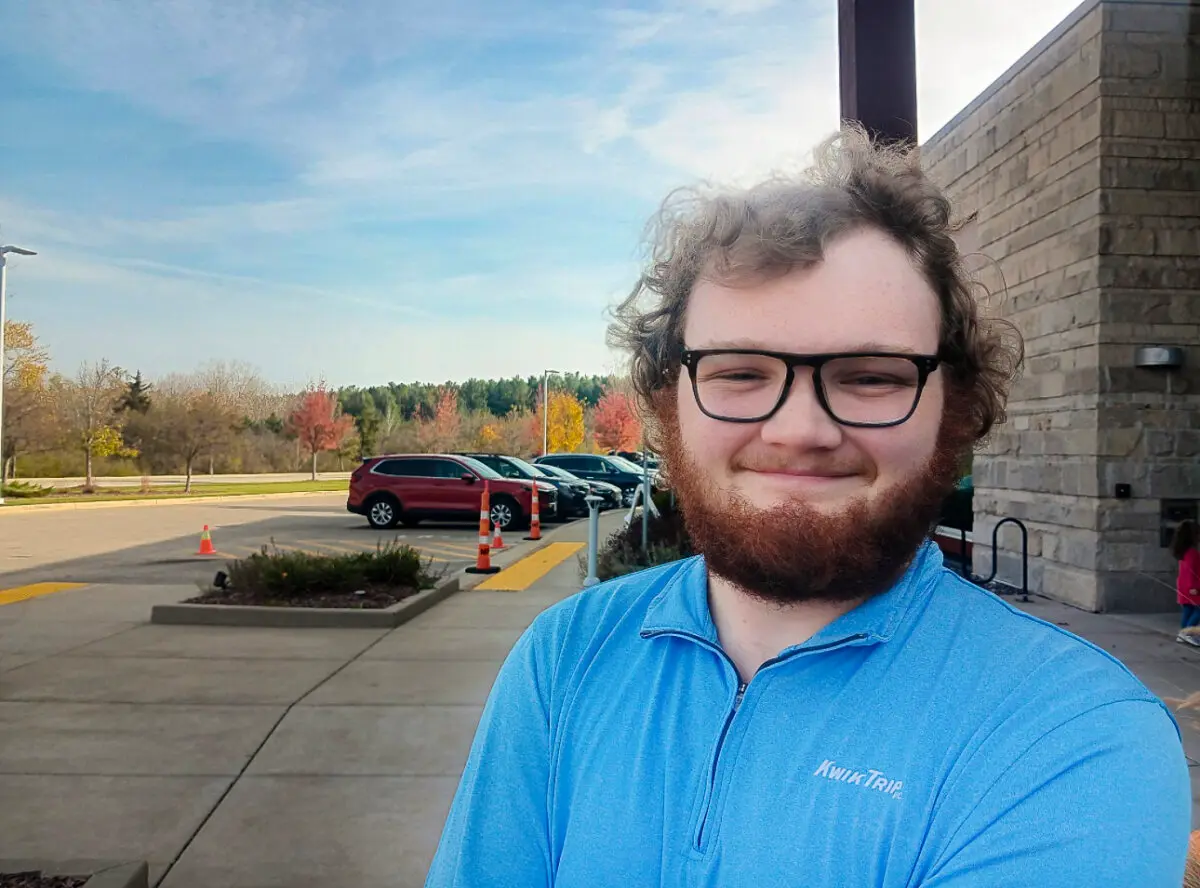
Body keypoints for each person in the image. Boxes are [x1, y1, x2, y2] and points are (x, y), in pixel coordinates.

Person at [424, 125, 1191, 887]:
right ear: (671, 401)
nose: (800, 431)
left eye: (870, 376)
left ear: (952, 409)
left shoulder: (1074, 736)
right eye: (740, 372)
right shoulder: (566, 655)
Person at [1173, 519, 1200, 646]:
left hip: (1184, 587)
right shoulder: (1192, 554)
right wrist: (1194, 587)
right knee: (1198, 610)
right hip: (1192, 587)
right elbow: (1191, 572)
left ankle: (1182, 633)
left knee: (1188, 610)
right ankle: (1187, 633)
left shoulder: (1183, 553)